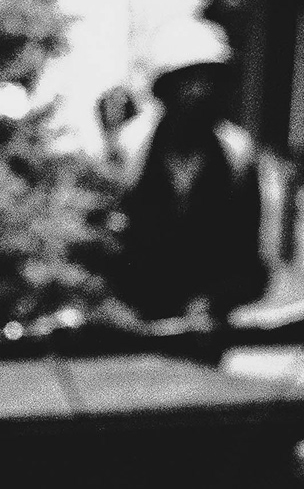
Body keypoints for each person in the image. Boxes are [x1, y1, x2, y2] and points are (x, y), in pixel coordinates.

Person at [111, 22, 271, 330]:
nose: (200, 92)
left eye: (211, 81)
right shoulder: (130, 150)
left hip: (204, 328)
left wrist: (214, 301)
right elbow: (107, 243)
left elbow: (249, 261)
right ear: (165, 89)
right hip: (133, 325)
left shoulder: (237, 156)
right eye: (189, 81)